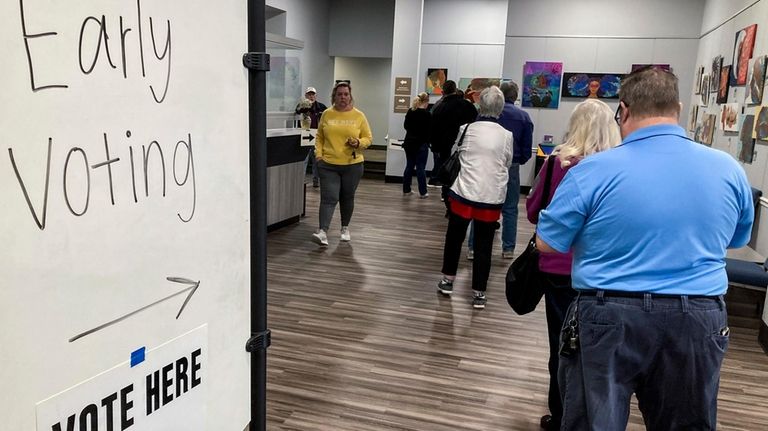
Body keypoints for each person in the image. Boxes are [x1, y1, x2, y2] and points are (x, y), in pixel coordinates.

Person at [535, 67, 754, 429]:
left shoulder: (592, 170)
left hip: (607, 314)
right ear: (678, 108)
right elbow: (736, 239)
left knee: (593, 422)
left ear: (623, 110)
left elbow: (548, 243)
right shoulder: (727, 169)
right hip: (696, 317)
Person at [526, 99, 620, 431]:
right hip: (605, 271)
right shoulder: (619, 167)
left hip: (558, 267)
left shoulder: (555, 164)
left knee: (561, 344)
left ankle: (562, 413)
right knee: (602, 349)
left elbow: (534, 211)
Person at [436, 86, 513, 309]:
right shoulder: (506, 136)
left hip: (463, 192)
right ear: (501, 109)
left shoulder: (466, 128)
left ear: (480, 105)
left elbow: (455, 152)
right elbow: (507, 162)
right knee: (483, 245)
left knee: (454, 238)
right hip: (491, 196)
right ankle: (479, 292)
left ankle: (447, 280)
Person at [467, 81, 533, 260]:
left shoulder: (487, 116)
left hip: (487, 164)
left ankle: (473, 247)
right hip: (511, 166)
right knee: (510, 209)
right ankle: (508, 248)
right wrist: (517, 161)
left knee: (480, 204)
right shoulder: (524, 117)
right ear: (516, 95)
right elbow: (527, 149)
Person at [311, 82, 372, 247]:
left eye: (346, 94)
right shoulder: (326, 114)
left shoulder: (359, 116)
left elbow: (368, 138)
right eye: (339, 94)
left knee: (347, 197)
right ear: (334, 96)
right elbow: (319, 137)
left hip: (352, 165)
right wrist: (319, 156)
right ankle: (322, 231)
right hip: (328, 164)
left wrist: (358, 142)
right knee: (329, 198)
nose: (343, 97)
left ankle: (345, 228)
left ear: (350, 96)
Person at [428, 80, 478, 188]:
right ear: (455, 90)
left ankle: (445, 191)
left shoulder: (439, 107)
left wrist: (433, 144)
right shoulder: (466, 106)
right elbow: (475, 122)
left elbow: (433, 127)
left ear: (443, 91)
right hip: (464, 142)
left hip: (444, 143)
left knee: (445, 166)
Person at [295, 87, 328, 188]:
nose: (311, 96)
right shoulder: (301, 106)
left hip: (317, 135)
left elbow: (327, 119)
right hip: (304, 135)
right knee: (304, 159)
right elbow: (297, 112)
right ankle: (301, 180)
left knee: (316, 159)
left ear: (316, 96)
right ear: (306, 95)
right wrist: (303, 107)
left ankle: (316, 181)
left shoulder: (321, 107)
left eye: (313, 94)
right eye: (309, 94)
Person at [402, 92, 431, 198]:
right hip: (421, 145)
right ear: (426, 101)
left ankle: (406, 190)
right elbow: (429, 131)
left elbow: (405, 126)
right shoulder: (427, 114)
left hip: (409, 143)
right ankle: (423, 192)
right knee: (420, 168)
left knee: (409, 166)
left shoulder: (410, 111)